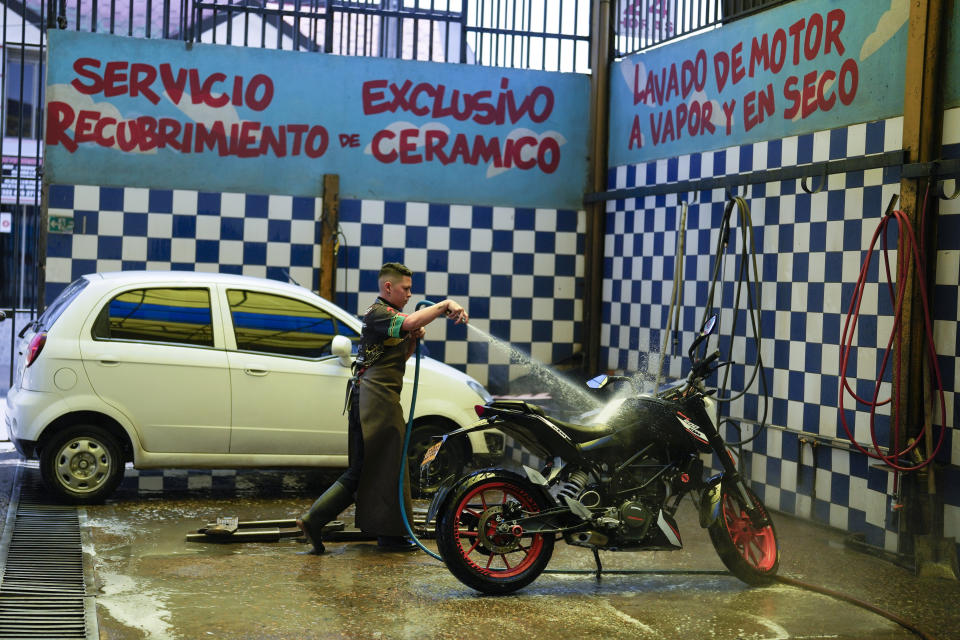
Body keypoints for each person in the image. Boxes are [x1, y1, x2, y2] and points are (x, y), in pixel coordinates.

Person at [298, 262, 468, 553]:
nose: (409, 294)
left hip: (380, 398)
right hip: (373, 400)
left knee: (380, 468)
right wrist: (444, 306)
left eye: (411, 289)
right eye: (405, 289)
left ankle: (385, 533)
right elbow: (411, 322)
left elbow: (399, 356)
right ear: (388, 287)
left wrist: (412, 339)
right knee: (371, 469)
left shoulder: (392, 318)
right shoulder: (378, 313)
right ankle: (317, 520)